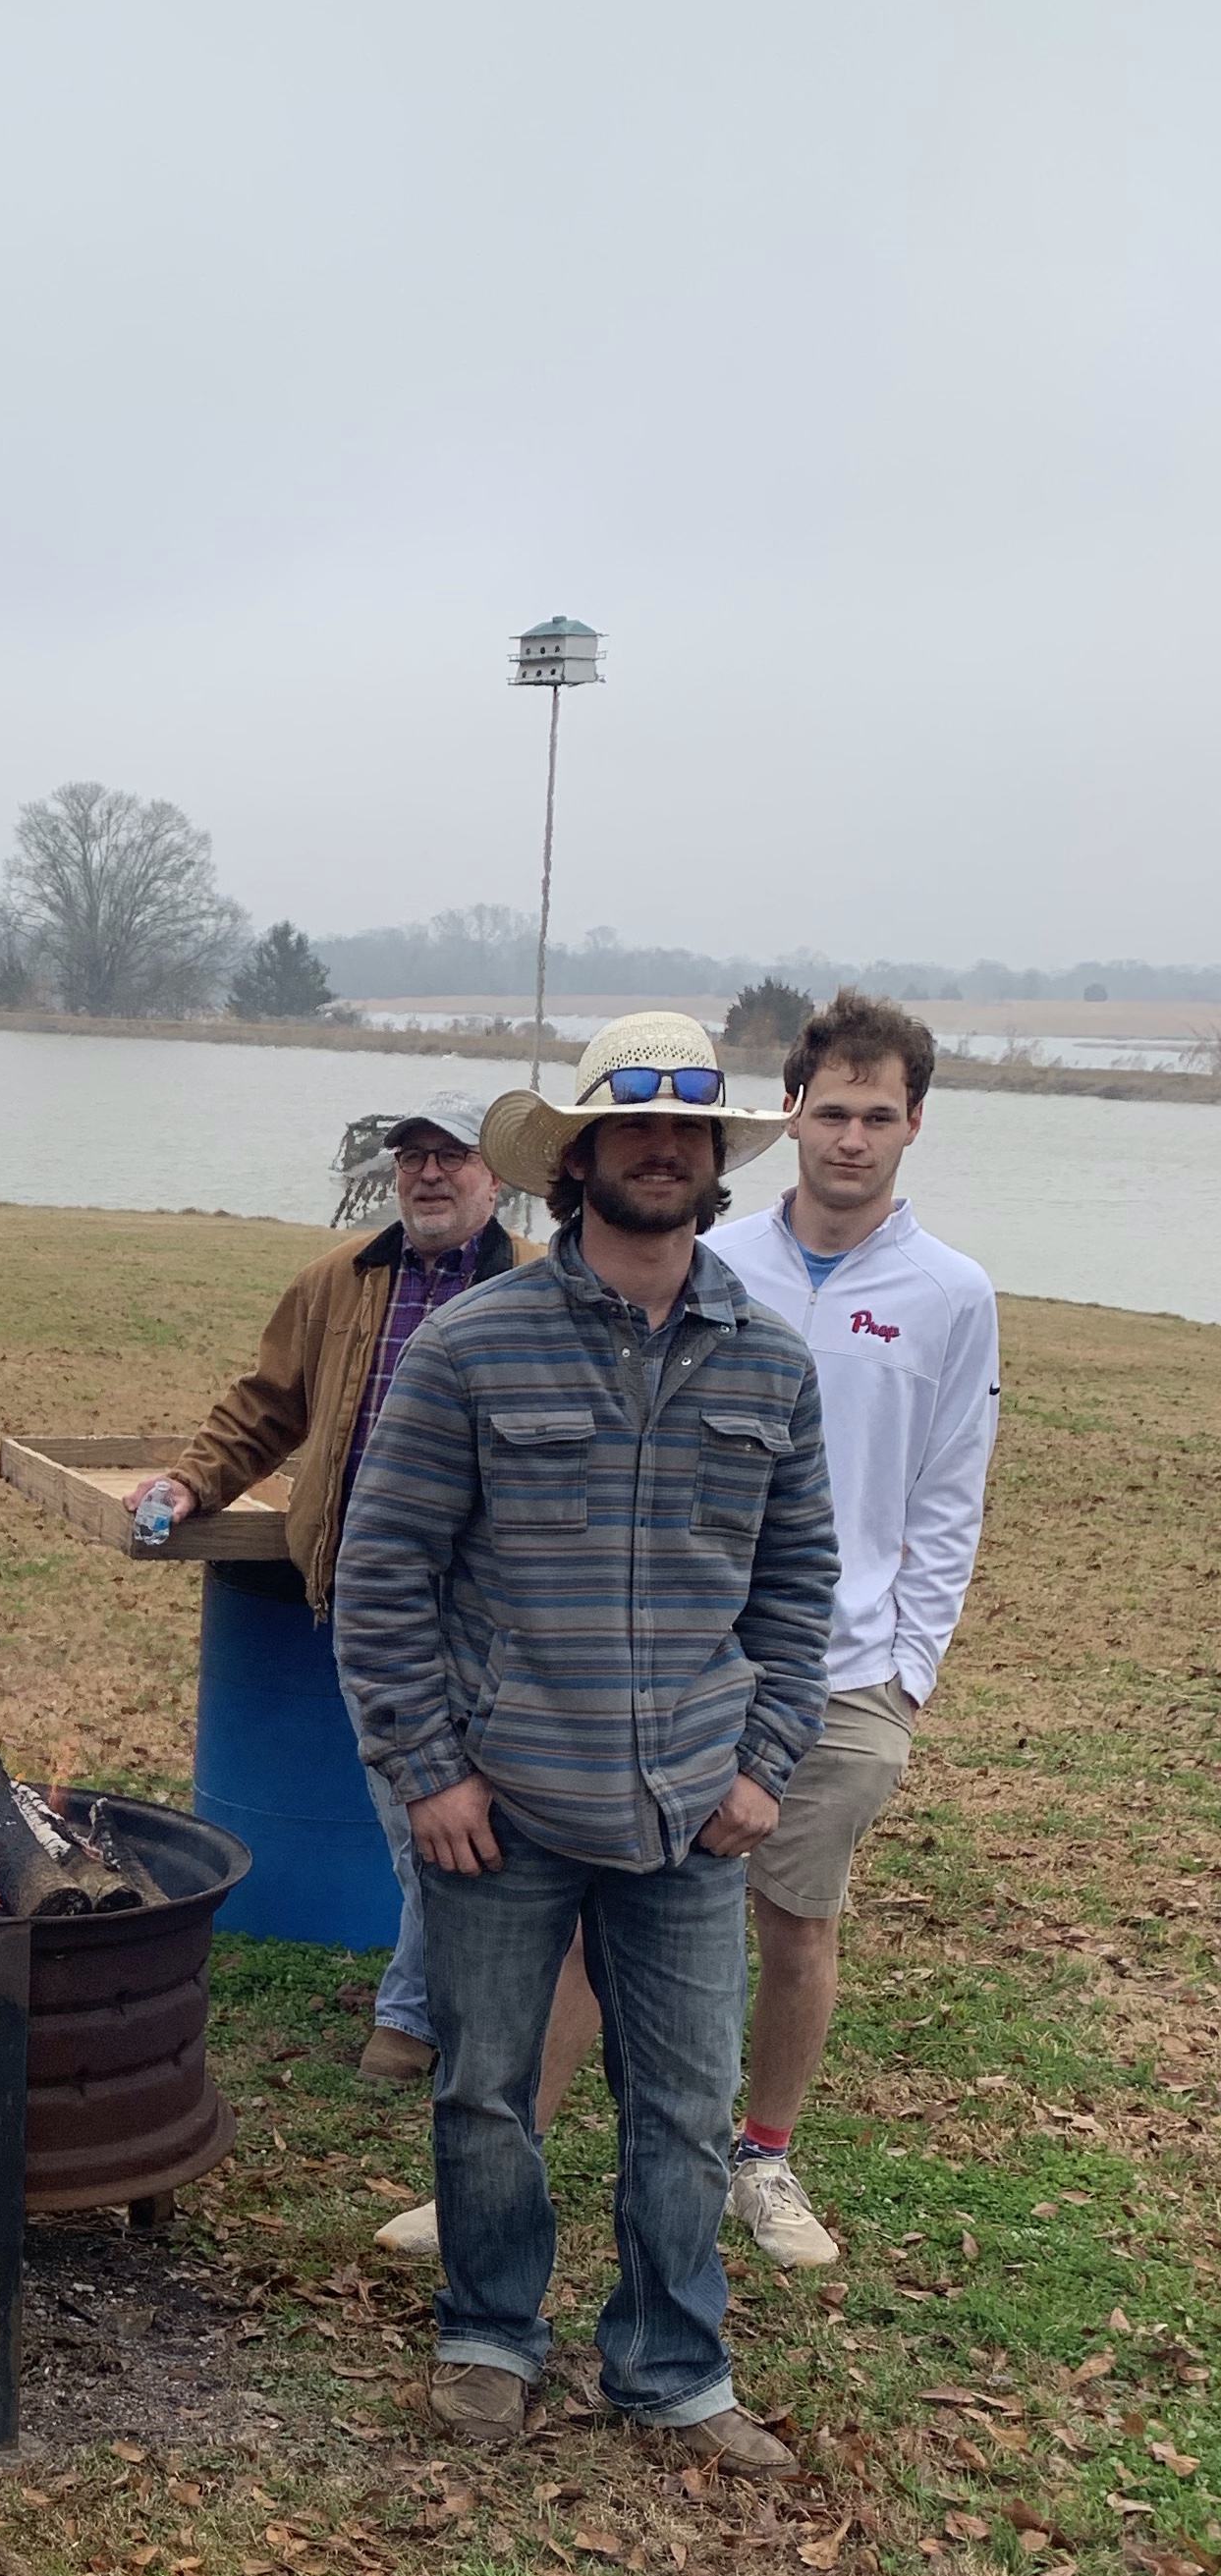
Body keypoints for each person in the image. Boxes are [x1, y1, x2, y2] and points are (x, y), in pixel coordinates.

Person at [332, 1014, 835, 2469]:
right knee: (486, 2091)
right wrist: (431, 1770)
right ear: (579, 1157)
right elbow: (383, 1576)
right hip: (505, 1807)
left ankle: (673, 2367)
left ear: (715, 1163)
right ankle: (490, 2333)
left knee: (682, 2105)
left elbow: (800, 1585)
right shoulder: (472, 1348)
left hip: (693, 1811)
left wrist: (765, 1763)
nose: (662, 1151)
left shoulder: (771, 1364)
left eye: (688, 1130)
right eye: (633, 1127)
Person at [131, 1087, 538, 2086]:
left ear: (495, 1174)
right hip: (375, 1598)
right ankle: (429, 2013)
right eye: (411, 1157)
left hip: (502, 1602)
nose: (428, 1174)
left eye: (450, 1155)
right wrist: (190, 1482)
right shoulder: (337, 1282)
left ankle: (446, 2010)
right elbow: (265, 1407)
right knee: (416, 1809)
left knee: (489, 1811)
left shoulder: (540, 1286)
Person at [702, 992, 998, 2264]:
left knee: (798, 1921)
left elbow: (948, 1494)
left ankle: (762, 2159)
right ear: (791, 1112)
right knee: (608, 1910)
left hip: (848, 1673)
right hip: (690, 1653)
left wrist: (908, 1674)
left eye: (879, 1116)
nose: (852, 1138)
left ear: (915, 1122)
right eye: (832, 1111)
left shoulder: (952, 1295)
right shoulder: (717, 1262)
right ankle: (513, 2154)